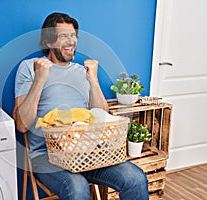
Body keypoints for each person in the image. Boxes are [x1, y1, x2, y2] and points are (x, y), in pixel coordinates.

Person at [13, 12, 149, 200]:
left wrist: (93, 80)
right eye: (63, 36)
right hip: (46, 156)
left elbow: (101, 117)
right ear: (48, 42)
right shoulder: (30, 68)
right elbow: (21, 125)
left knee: (135, 178)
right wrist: (40, 79)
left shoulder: (81, 71)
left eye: (73, 36)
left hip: (87, 152)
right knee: (76, 186)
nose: (71, 42)